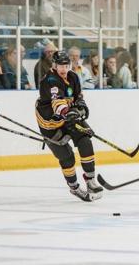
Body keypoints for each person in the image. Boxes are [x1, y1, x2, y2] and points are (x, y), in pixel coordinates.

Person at [35, 51, 103, 201]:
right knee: (67, 157)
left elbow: (78, 96)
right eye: (60, 65)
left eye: (66, 65)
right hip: (50, 124)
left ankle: (90, 180)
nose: (64, 69)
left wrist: (81, 108)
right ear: (54, 65)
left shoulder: (73, 77)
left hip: (68, 118)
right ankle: (74, 187)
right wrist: (67, 111)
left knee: (85, 140)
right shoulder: (50, 80)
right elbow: (57, 101)